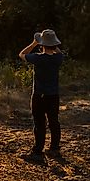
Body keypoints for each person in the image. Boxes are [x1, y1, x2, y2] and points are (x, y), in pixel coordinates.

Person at [18, 29, 64, 159]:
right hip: (53, 95)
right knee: (54, 122)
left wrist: (34, 44)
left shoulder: (37, 58)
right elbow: (58, 52)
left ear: (42, 44)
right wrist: (52, 45)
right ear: (55, 44)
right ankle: (54, 149)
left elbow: (22, 54)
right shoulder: (58, 58)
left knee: (39, 123)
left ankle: (38, 151)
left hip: (39, 95)